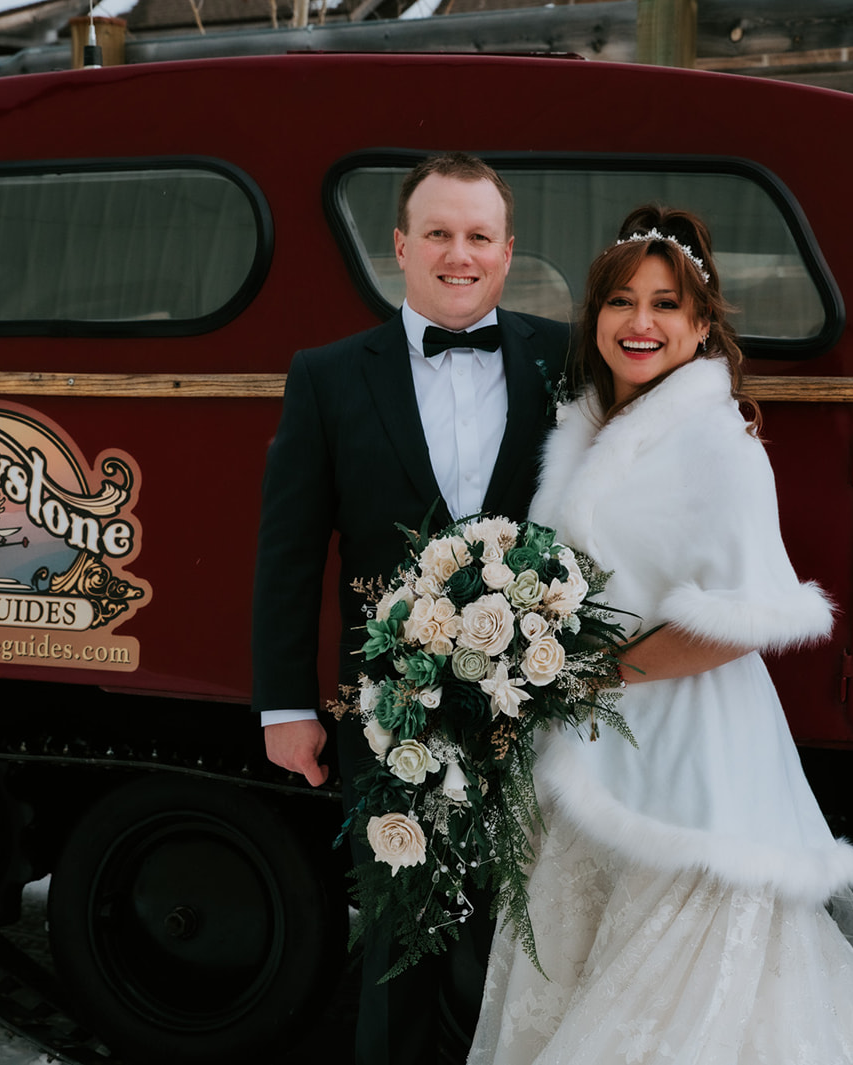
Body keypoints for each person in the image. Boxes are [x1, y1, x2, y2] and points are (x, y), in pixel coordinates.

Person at [467, 206, 853, 1064]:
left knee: (682, 993)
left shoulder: (722, 446)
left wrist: (586, 675)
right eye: (620, 302)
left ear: (700, 324)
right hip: (591, 751)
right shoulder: (580, 431)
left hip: (690, 754)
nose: (640, 323)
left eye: (666, 305)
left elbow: (737, 624)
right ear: (595, 318)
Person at [251, 153, 570, 1065]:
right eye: (437, 233)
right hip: (389, 704)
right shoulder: (327, 374)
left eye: (478, 236)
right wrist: (284, 705)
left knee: (520, 938)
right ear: (400, 246)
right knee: (401, 935)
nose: (457, 254)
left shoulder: (564, 358)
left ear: (507, 253)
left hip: (537, 704)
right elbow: (289, 549)